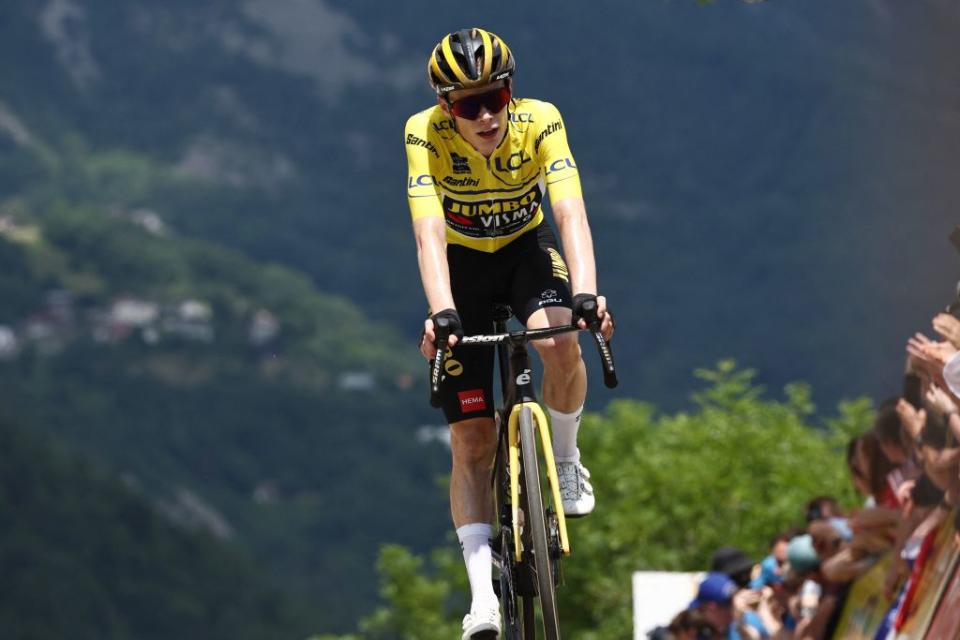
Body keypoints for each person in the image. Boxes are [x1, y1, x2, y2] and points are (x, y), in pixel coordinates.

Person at [404, 28, 614, 638]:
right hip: (463, 266)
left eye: (496, 96)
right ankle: (483, 601)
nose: (488, 114)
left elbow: (570, 209)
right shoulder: (423, 133)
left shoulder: (541, 119)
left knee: (560, 340)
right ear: (447, 107)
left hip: (527, 249)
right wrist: (441, 313)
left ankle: (567, 456)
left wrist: (587, 293)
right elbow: (428, 234)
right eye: (469, 104)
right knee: (471, 441)